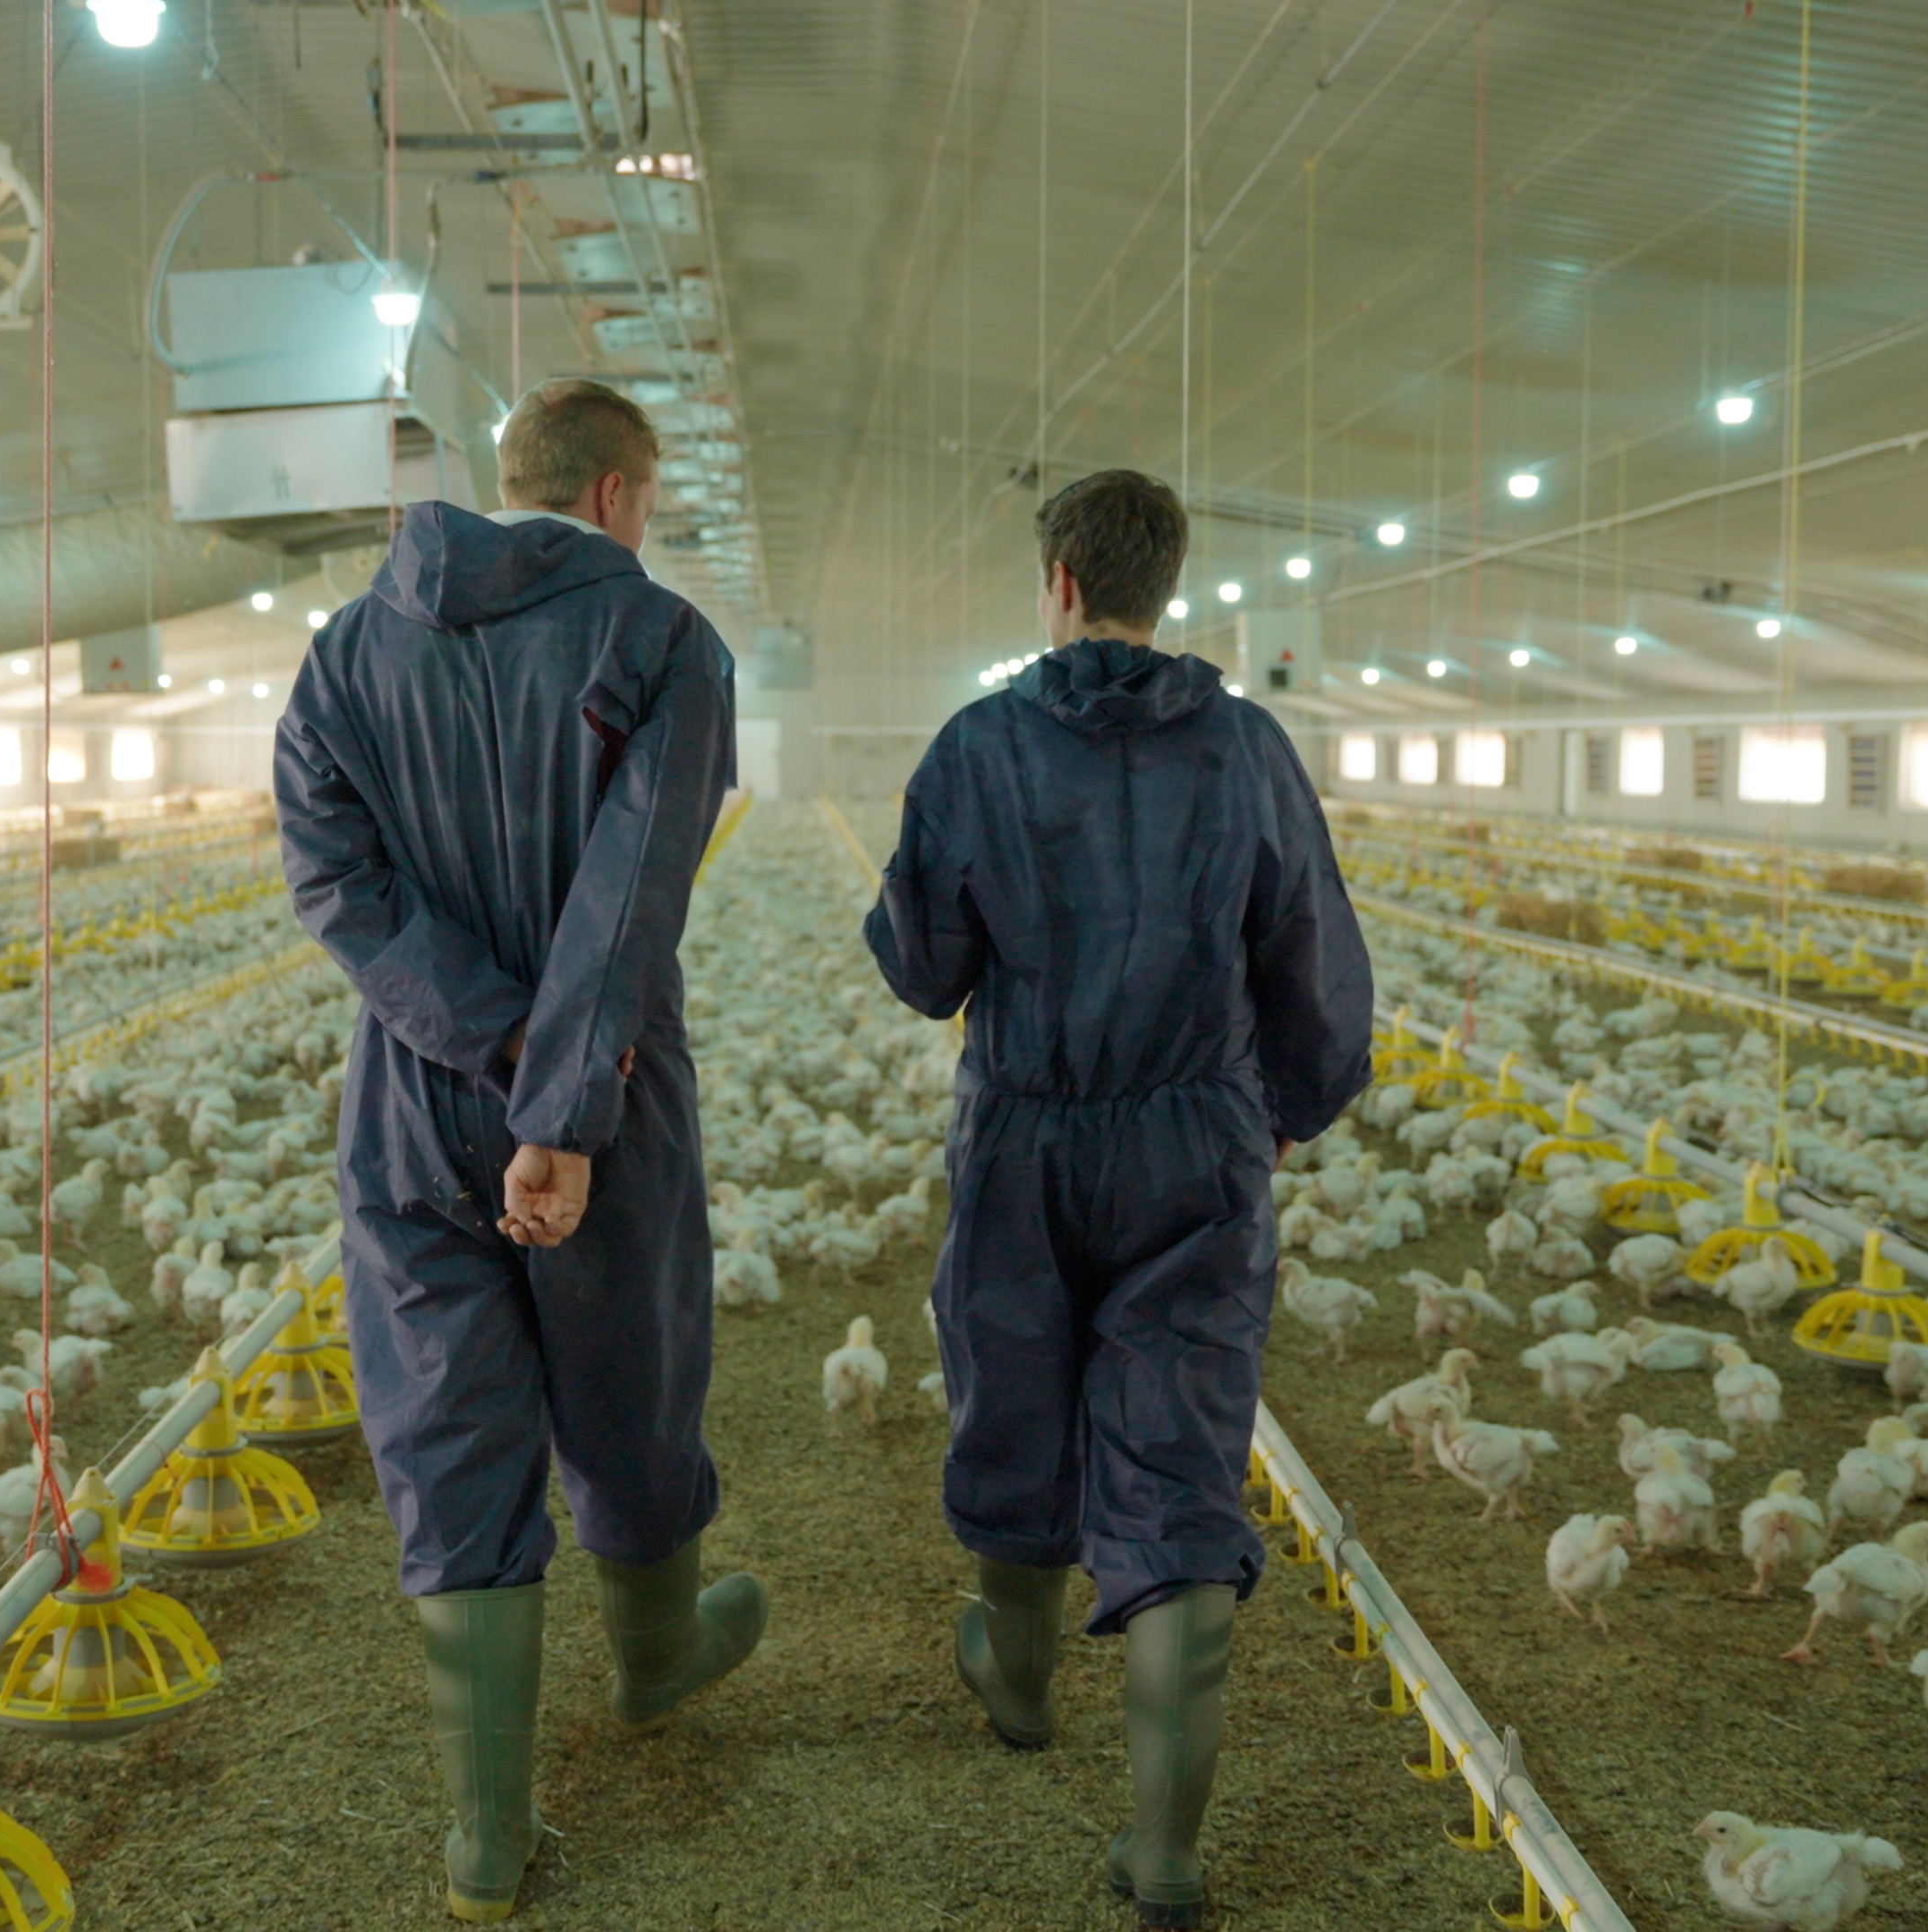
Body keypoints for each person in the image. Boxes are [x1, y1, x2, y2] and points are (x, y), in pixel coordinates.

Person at [274, 377, 765, 1924]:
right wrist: (557, 1104)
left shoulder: (349, 650)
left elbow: (333, 882)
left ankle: (486, 1837)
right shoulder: (664, 644)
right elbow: (631, 894)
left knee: (444, 1412)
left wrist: (478, 1039)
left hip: (413, 1093)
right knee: (628, 1372)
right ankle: (655, 1660)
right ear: (619, 493)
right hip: (604, 1090)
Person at [863, 468, 1372, 1928]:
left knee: (1012, 1398)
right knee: (1179, 1470)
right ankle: (1162, 1858)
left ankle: (1018, 1686)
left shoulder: (979, 749)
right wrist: (1279, 1109)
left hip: (1025, 1137)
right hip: (1195, 1145)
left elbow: (922, 968)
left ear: (1061, 584)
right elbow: (1316, 966)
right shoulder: (1251, 751)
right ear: (1165, 586)